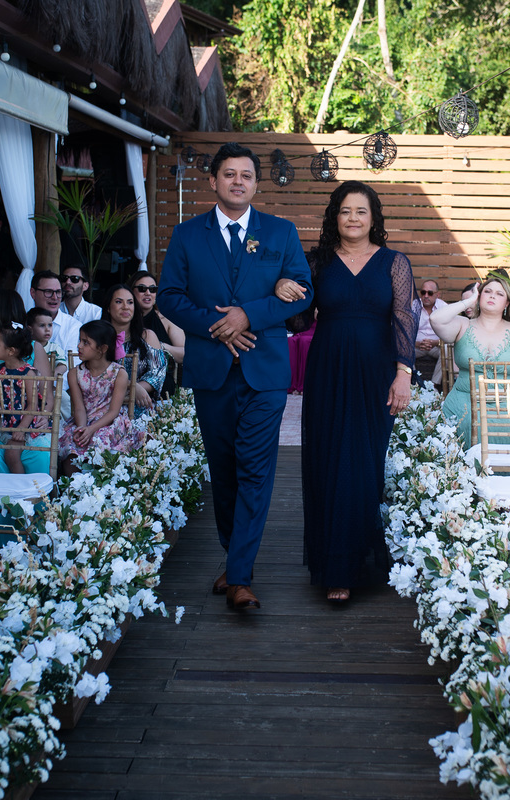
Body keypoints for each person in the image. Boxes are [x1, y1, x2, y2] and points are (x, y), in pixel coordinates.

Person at [157, 142, 313, 612]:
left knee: (255, 469)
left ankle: (240, 576)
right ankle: (235, 556)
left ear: (256, 184)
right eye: (229, 174)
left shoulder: (281, 232)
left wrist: (249, 315)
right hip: (211, 371)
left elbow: (303, 292)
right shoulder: (187, 235)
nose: (238, 181)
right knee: (223, 470)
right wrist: (218, 325)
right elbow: (169, 297)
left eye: (246, 175)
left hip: (265, 373)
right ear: (213, 181)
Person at [287, 180, 415, 604]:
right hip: (327, 370)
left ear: (373, 217)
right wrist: (283, 290)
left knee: (364, 464)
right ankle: (334, 569)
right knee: (327, 460)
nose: (353, 218)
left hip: (376, 374)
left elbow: (404, 319)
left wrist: (403, 373)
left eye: (361, 211)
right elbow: (299, 322)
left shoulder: (395, 263)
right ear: (334, 217)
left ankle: (359, 561)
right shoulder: (317, 262)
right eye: (345, 211)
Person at [430, 273, 510, 449]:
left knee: (508, 427)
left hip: (507, 404)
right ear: (479, 297)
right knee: (464, 427)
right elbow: (435, 319)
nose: (492, 296)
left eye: (500, 294)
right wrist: (468, 301)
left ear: (507, 302)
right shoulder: (463, 324)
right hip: (463, 400)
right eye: (487, 291)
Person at [58, 320, 144, 471]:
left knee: (99, 440)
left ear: (102, 349)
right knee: (72, 442)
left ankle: (100, 479)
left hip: (110, 421)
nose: (79, 346)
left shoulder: (119, 373)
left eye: (86, 342)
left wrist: (91, 429)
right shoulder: (74, 374)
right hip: (83, 419)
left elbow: (114, 411)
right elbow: (79, 408)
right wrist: (82, 428)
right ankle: (73, 483)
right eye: (80, 340)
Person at [0, 324, 51, 474]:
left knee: (11, 454)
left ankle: (21, 485)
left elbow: (32, 405)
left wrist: (21, 429)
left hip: (25, 425)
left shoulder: (28, 374)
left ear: (11, 351)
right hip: (5, 422)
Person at [104, 284, 168, 415]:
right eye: (118, 302)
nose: (125, 307)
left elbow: (158, 372)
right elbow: (96, 374)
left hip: (141, 405)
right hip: (105, 404)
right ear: (108, 308)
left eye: (130, 302)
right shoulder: (98, 339)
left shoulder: (147, 336)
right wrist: (132, 385)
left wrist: (137, 389)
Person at [130, 270, 184, 398]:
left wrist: (160, 347)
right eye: (142, 289)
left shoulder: (166, 320)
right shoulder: (124, 320)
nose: (148, 293)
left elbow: (185, 353)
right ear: (131, 291)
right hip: (129, 382)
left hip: (161, 385)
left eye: (153, 289)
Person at [411, 278, 441, 385]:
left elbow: (450, 334)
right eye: (423, 292)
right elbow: (406, 331)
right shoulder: (413, 306)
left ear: (437, 294)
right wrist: (416, 344)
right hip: (416, 346)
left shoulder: (444, 308)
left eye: (430, 293)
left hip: (436, 347)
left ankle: (434, 385)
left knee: (449, 352)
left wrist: (436, 343)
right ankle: (414, 385)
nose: (426, 296)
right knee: (404, 351)